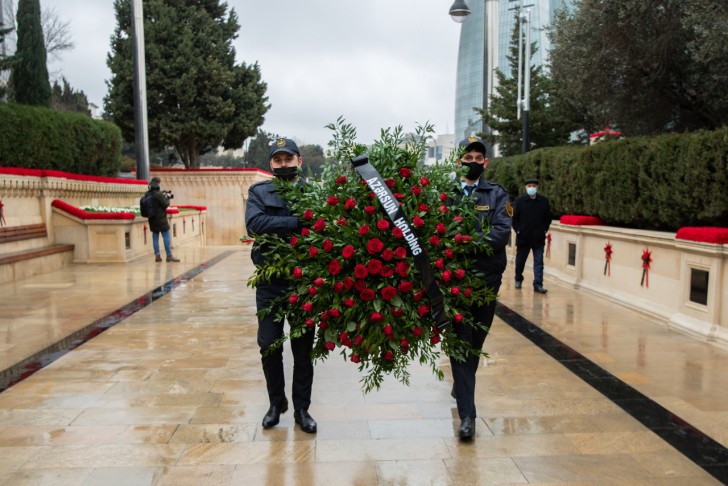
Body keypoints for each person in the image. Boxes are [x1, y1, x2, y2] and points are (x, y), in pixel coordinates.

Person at [245, 137, 317, 434]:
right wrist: (295, 223)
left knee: (303, 350)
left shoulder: (312, 194)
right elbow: (254, 224)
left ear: (299, 161)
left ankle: (302, 408)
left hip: (302, 285)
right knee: (269, 345)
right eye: (278, 160)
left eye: (289, 159)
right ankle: (277, 404)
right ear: (271, 164)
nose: (284, 164)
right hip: (270, 283)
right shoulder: (258, 192)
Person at [449, 136, 512, 440]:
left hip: (487, 282)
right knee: (461, 346)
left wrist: (463, 242)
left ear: (485, 162)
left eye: (478, 157)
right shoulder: (444, 194)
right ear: (458, 160)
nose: (472, 161)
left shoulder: (498, 194)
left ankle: (461, 385)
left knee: (476, 343)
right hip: (455, 284)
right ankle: (467, 416)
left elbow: (501, 233)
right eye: (467, 156)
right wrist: (473, 241)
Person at [512, 178, 551, 294]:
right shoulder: (519, 201)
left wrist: (544, 229)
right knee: (520, 261)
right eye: (529, 186)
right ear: (525, 187)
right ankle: (518, 279)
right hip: (523, 237)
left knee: (539, 262)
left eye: (533, 185)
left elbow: (548, 218)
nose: (531, 188)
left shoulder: (544, 201)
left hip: (538, 238)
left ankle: (538, 284)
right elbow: (514, 218)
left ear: (537, 187)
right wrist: (518, 230)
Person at [145, 177, 180, 263]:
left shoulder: (147, 194)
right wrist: (167, 197)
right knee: (166, 236)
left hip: (152, 218)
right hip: (161, 219)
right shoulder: (158, 194)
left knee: (155, 237)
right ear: (158, 183)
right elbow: (165, 205)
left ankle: (157, 255)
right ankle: (169, 255)